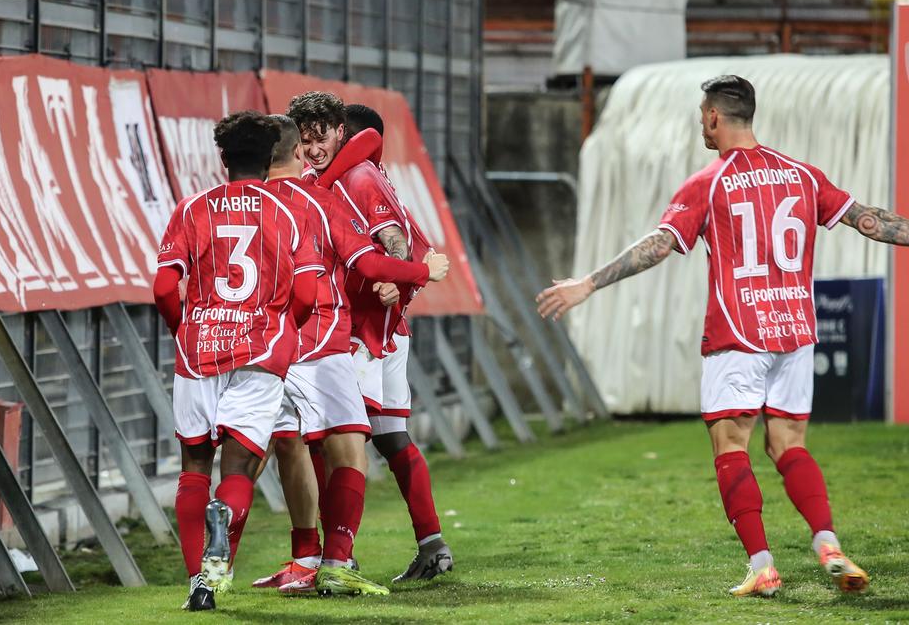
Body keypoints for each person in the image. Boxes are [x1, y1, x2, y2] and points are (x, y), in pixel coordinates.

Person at [535, 75, 904, 597]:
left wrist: (588, 283)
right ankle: (827, 543)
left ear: (713, 117)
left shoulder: (709, 181)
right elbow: (869, 221)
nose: (700, 123)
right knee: (788, 444)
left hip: (738, 334)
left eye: (701, 114)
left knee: (732, 445)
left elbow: (660, 245)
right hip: (795, 331)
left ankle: (762, 566)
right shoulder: (801, 174)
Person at [252, 115, 451, 595]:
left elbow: (396, 242)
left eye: (322, 134)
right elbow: (414, 248)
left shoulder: (356, 177)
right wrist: (407, 279)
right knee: (385, 437)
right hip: (369, 328)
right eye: (305, 137)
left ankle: (332, 558)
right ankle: (429, 546)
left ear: (343, 132)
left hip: (360, 333)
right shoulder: (339, 177)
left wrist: (398, 281)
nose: (313, 145)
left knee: (325, 440)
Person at [154, 110, 321, 611]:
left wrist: (183, 328)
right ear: (273, 156)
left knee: (193, 467)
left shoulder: (191, 209)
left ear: (223, 158)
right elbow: (309, 292)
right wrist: (282, 326)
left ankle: (198, 585)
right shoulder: (291, 212)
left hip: (199, 349)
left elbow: (165, 286)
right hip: (260, 350)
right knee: (239, 469)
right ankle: (223, 518)